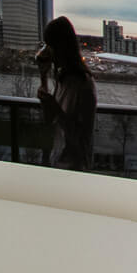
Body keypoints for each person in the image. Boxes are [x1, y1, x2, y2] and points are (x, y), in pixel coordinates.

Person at [35, 16, 97, 172]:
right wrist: (43, 77)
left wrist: (55, 108)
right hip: (59, 161)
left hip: (75, 167)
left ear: (62, 47)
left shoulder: (83, 84)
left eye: (51, 46)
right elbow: (49, 120)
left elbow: (81, 138)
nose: (48, 52)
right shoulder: (63, 79)